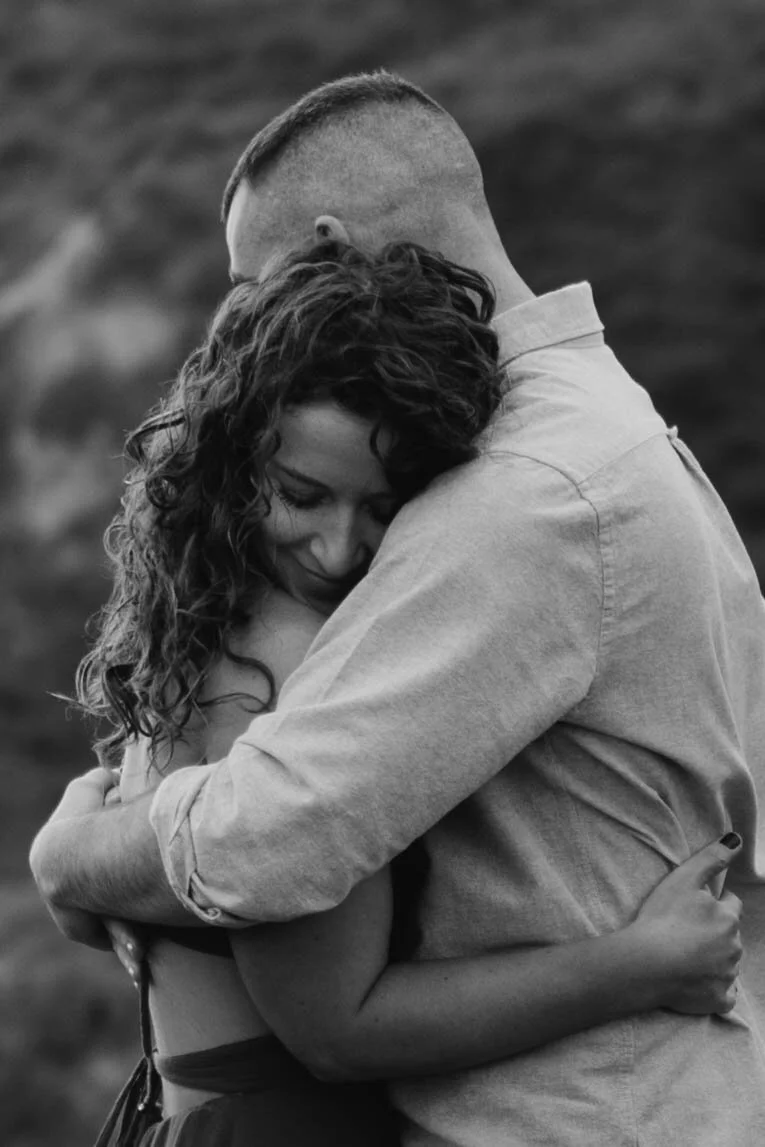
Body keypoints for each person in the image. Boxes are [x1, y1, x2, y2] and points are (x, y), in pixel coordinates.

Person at [30, 72, 765, 1146]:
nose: (241, 322)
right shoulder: (617, 435)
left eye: (251, 281)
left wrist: (73, 855)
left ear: (332, 248)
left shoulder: (532, 492)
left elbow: (273, 833)